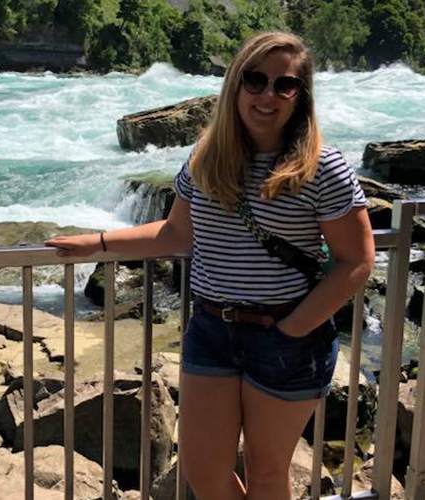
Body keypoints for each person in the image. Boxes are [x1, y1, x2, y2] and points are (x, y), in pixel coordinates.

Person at [45, 31, 374, 500]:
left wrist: (294, 329)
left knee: (265, 474)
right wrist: (97, 243)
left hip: (286, 338)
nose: (267, 95)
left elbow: (356, 261)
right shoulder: (205, 159)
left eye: (284, 85)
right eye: (256, 80)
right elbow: (176, 234)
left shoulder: (322, 168)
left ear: (301, 97)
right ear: (235, 85)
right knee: (203, 470)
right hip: (212, 330)